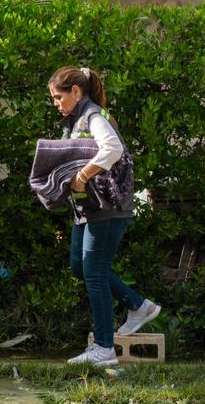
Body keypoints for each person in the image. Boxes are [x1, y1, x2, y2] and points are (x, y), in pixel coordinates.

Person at [47, 66, 161, 368]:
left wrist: (83, 175)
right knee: (79, 267)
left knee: (95, 273)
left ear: (76, 92)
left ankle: (104, 348)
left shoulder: (94, 117)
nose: (56, 104)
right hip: (88, 210)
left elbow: (112, 149)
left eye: (59, 97)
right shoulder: (76, 120)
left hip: (107, 208)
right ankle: (138, 305)